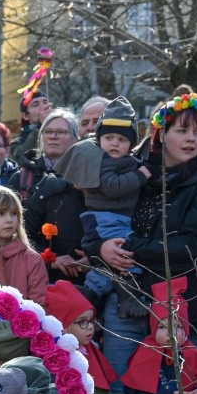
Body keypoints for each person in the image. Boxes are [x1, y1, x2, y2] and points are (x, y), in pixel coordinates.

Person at [84, 93, 197, 372]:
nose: (191, 139)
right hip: (126, 298)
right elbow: (97, 217)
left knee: (177, 393)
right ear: (162, 135)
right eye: (182, 130)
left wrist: (131, 248)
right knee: (121, 385)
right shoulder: (135, 174)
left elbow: (195, 246)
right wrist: (101, 248)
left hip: (181, 306)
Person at [55, 99, 148, 299]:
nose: (115, 143)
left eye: (122, 140)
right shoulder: (101, 160)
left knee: (112, 258)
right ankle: (127, 290)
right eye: (109, 137)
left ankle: (92, 291)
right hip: (107, 218)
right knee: (125, 252)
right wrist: (141, 175)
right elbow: (112, 187)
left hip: (114, 218)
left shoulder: (124, 160)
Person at [10, 91, 53, 162]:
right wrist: (41, 127)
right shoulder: (16, 143)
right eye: (36, 105)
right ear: (25, 115)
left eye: (45, 103)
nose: (43, 107)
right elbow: (23, 158)